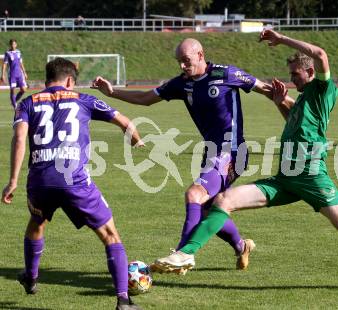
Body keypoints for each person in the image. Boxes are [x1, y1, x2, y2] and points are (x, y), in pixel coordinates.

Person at [153, 29, 338, 294]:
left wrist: (281, 38)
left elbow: (321, 54)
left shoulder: (323, 91)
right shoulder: (301, 101)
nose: (292, 79)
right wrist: (279, 101)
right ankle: (186, 254)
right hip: (285, 179)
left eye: (296, 74)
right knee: (223, 200)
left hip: (313, 178)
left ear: (310, 72)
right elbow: (295, 122)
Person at [92, 38, 274, 273]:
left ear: (200, 55)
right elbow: (146, 99)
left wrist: (290, 102)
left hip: (233, 152)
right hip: (211, 153)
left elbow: (265, 88)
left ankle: (182, 254)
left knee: (194, 194)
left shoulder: (225, 73)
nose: (182, 66)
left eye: (186, 60)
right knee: (208, 210)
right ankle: (241, 246)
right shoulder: (182, 84)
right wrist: (112, 92)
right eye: (179, 62)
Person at [1, 58, 144, 310]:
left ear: (47, 78)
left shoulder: (27, 103)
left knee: (37, 222)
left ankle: (31, 277)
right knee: (110, 235)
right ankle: (123, 299)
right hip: (74, 181)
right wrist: (136, 140)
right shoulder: (83, 99)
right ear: (69, 80)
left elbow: (20, 138)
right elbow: (124, 121)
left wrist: (12, 180)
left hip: (40, 181)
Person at [1, 39, 28, 109]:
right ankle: (14, 106)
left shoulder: (18, 52)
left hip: (19, 74)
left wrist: (24, 73)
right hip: (12, 74)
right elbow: (4, 64)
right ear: (10, 45)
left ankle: (14, 101)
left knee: (23, 90)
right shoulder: (7, 53)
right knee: (12, 90)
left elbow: (21, 63)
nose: (13, 45)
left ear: (16, 45)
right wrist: (3, 74)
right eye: (12, 44)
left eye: (14, 44)